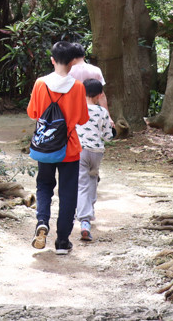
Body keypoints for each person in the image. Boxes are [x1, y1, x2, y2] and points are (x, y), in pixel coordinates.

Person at [27, 40, 89, 255]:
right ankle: (62, 241)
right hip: (69, 148)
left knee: (44, 185)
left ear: (52, 60)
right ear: (72, 62)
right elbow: (82, 119)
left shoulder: (40, 83)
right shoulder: (79, 86)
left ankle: (42, 222)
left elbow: (33, 113)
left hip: (45, 147)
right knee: (68, 193)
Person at [75, 78, 115, 242]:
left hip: (80, 151)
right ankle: (89, 208)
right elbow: (108, 136)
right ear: (100, 95)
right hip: (97, 152)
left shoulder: (77, 109)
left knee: (82, 183)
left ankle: (85, 221)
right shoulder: (102, 112)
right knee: (92, 178)